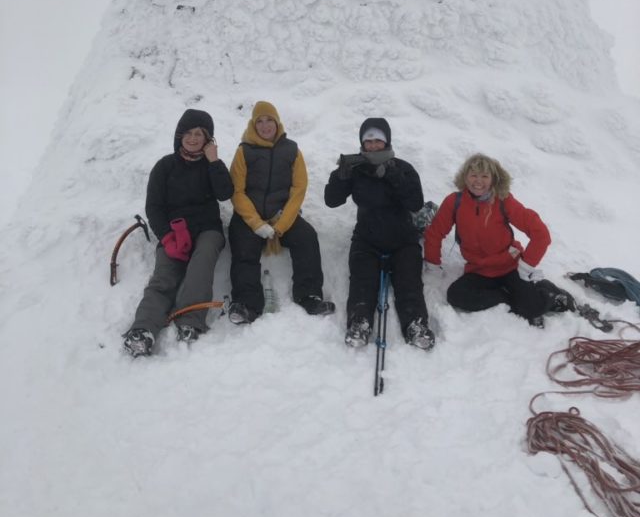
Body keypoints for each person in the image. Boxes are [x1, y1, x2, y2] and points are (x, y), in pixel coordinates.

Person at [122, 109, 233, 356]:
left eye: (200, 134)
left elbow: (225, 193)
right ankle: (143, 330)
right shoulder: (164, 167)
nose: (193, 139)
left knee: (200, 267)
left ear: (208, 140)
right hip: (174, 232)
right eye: (188, 133)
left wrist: (214, 161)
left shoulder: (211, 165)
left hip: (207, 229)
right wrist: (166, 236)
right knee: (164, 277)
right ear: (179, 135)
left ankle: (191, 322)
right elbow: (154, 206)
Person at [324, 118, 435, 349]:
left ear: (387, 142)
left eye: (378, 141)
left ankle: (416, 324)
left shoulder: (403, 167)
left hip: (403, 238)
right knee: (362, 280)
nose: (373, 146)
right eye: (368, 141)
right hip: (367, 237)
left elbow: (415, 203)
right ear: (362, 144)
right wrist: (340, 177)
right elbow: (331, 201)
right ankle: (359, 322)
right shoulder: (355, 169)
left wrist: (393, 177)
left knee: (409, 281)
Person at [424, 152, 568, 325]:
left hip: (510, 266)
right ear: (465, 177)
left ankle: (549, 292)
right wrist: (432, 265)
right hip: (479, 270)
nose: (478, 181)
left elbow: (541, 234)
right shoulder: (455, 202)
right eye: (473, 175)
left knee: (533, 308)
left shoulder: (503, 201)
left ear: (494, 179)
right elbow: (435, 232)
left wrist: (526, 266)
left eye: (485, 176)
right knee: (456, 296)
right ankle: (507, 297)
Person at [228, 101, 334, 323]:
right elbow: (236, 191)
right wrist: (257, 224)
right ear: (253, 125)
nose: (265, 125)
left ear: (277, 123)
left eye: (270, 120)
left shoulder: (292, 150)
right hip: (249, 217)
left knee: (306, 237)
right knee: (243, 247)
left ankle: (309, 296)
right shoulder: (244, 151)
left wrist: (281, 224)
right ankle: (247, 304)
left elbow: (299, 189)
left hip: (282, 215)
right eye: (260, 121)